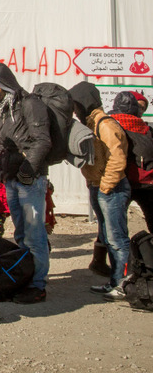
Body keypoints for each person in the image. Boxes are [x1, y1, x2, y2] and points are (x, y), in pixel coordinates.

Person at [0, 62, 51, 304]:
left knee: (35, 235)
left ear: (4, 84)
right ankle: (26, 279)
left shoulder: (30, 104)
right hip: (12, 181)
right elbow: (3, 142)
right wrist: (1, 171)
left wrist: (25, 173)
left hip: (30, 181)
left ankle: (37, 285)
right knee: (21, 234)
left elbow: (42, 141)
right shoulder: (3, 108)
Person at [69, 82, 130, 301]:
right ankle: (115, 281)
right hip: (99, 187)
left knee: (117, 239)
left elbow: (117, 157)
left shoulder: (105, 124)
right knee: (108, 236)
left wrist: (105, 185)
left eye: (76, 104)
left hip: (111, 189)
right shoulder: (91, 123)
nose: (74, 109)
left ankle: (124, 284)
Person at [109, 91, 152, 233]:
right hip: (138, 182)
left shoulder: (112, 126)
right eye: (138, 107)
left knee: (114, 228)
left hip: (126, 182)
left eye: (143, 108)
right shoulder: (146, 130)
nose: (140, 111)